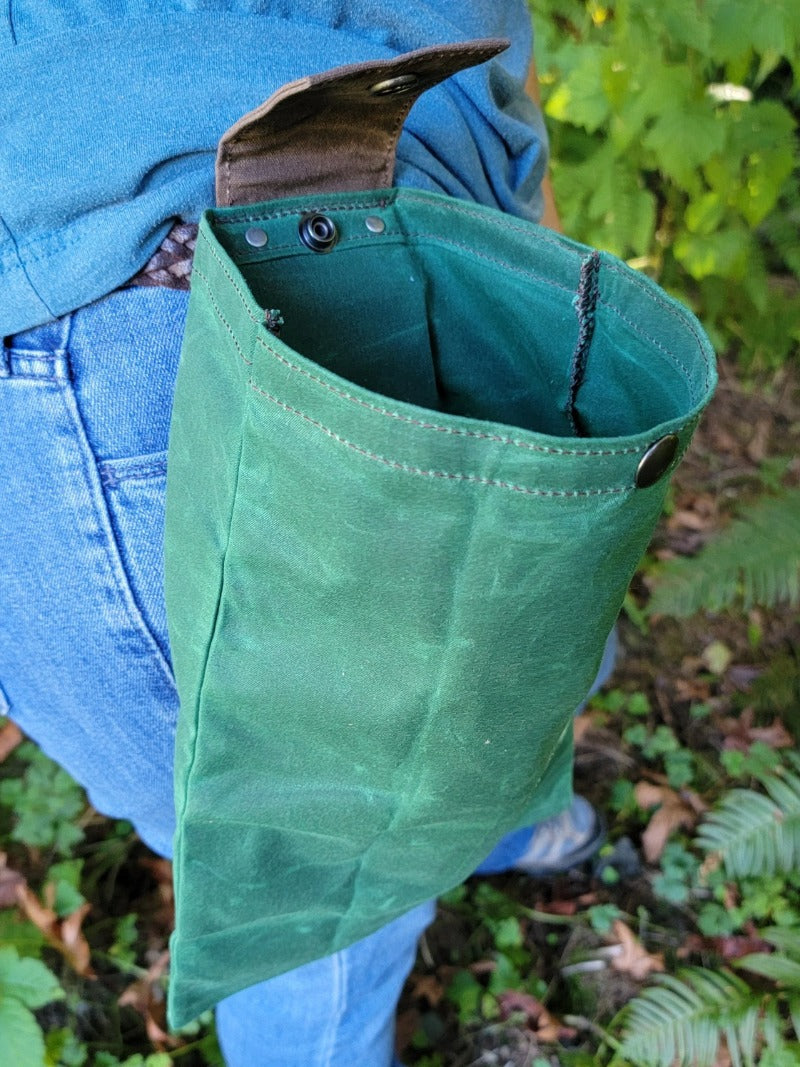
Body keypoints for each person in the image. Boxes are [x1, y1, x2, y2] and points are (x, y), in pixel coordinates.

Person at [0, 3, 609, 1063]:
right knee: (318, 888)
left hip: (60, 304)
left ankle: (500, 823)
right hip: (232, 297)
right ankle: (487, 824)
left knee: (352, 819)